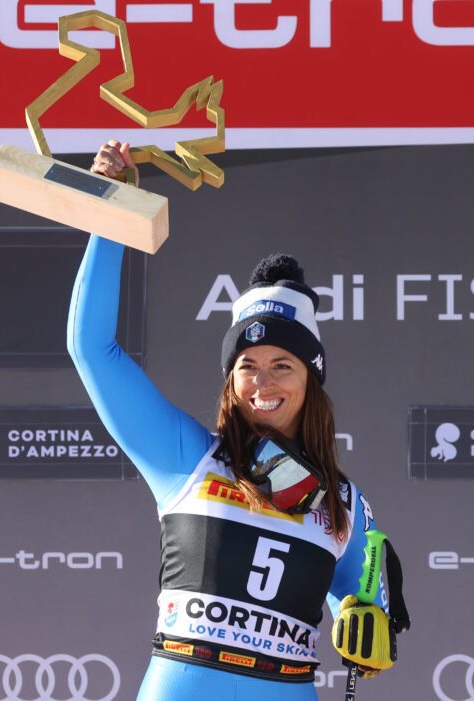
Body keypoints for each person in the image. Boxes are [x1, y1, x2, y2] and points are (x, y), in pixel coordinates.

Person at [67, 140, 404, 700]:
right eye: (247, 366)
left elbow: (367, 609)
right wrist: (110, 210)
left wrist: (370, 627)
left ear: (311, 380)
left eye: (282, 366)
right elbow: (90, 347)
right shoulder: (185, 456)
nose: (262, 383)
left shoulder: (345, 504)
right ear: (230, 379)